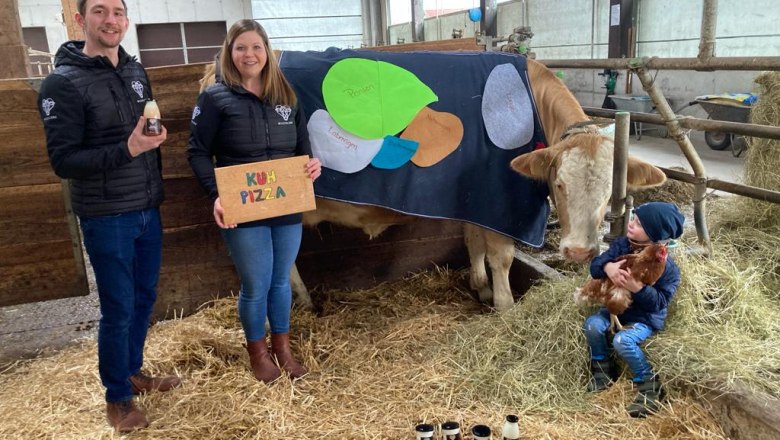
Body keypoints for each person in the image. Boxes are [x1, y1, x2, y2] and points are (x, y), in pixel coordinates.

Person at [37, 0, 181, 433]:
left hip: (145, 208)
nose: (110, 20)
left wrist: (150, 144)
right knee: (118, 309)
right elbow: (64, 161)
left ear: (126, 20)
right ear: (81, 20)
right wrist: (129, 149)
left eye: (117, 12)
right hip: (106, 215)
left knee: (144, 299)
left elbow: (143, 135)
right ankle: (117, 398)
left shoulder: (134, 72)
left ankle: (133, 371)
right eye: (99, 11)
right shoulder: (61, 84)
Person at [187, 19, 322, 383]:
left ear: (267, 53)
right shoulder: (215, 97)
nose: (250, 54)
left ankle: (283, 348)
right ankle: (258, 353)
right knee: (257, 283)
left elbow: (301, 144)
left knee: (280, 280)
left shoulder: (286, 96)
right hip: (242, 204)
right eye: (241, 47)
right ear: (230, 54)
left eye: (256, 47)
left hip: (285, 201)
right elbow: (197, 152)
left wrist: (311, 164)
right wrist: (215, 196)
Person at [582, 201, 685, 418]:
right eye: (633, 219)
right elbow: (595, 266)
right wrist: (608, 267)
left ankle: (649, 387)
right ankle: (602, 373)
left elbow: (659, 303)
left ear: (654, 234)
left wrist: (637, 289)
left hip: (644, 319)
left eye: (638, 224)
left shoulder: (666, 268)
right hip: (615, 309)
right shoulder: (622, 246)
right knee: (592, 325)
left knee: (623, 341)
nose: (631, 224)